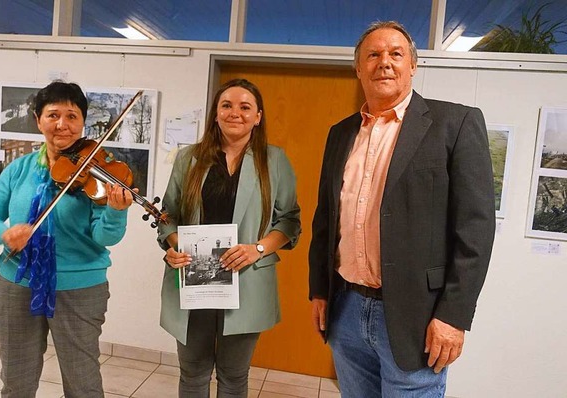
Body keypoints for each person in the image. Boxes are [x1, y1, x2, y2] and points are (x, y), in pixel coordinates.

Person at [308, 21, 495, 397]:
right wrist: (319, 290)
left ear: (413, 65)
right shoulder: (340, 133)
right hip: (346, 308)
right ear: (358, 68)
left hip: (418, 317)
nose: (385, 62)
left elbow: (475, 229)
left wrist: (453, 316)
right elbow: (326, 219)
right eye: (373, 55)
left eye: (396, 53)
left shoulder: (454, 124)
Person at [0, 81, 134, 398]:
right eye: (53, 114)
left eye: (72, 116)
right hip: (18, 284)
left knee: (82, 385)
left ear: (83, 122)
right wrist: (4, 233)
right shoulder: (19, 169)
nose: (62, 124)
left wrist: (115, 211)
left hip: (79, 288)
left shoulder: (96, 172)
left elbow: (105, 237)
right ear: (38, 119)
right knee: (17, 381)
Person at [158, 78, 301, 397]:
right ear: (215, 113)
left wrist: (258, 249)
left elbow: (290, 221)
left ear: (258, 116)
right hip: (194, 278)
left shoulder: (274, 160)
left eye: (245, 106)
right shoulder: (188, 158)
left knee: (234, 376)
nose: (235, 112)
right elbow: (168, 216)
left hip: (246, 280)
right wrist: (173, 246)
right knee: (192, 373)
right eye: (226, 105)